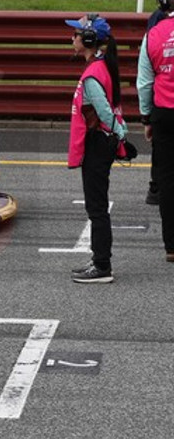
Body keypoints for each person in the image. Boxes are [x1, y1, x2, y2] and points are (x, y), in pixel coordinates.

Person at [66, 15, 128, 283]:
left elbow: (103, 110)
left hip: (98, 143)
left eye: (76, 34)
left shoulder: (93, 74)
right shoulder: (102, 65)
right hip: (102, 142)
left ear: (88, 40)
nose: (72, 38)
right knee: (97, 205)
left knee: (96, 207)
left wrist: (121, 134)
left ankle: (102, 266)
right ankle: (99, 260)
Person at [138, 0, 174, 263]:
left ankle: (172, 246)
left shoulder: (153, 34)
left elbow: (145, 83)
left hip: (164, 113)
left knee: (167, 180)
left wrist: (146, 118)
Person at [143, 0, 174, 205]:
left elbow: (144, 79)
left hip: (162, 106)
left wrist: (146, 117)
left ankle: (157, 190)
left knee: (163, 157)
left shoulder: (155, 28)